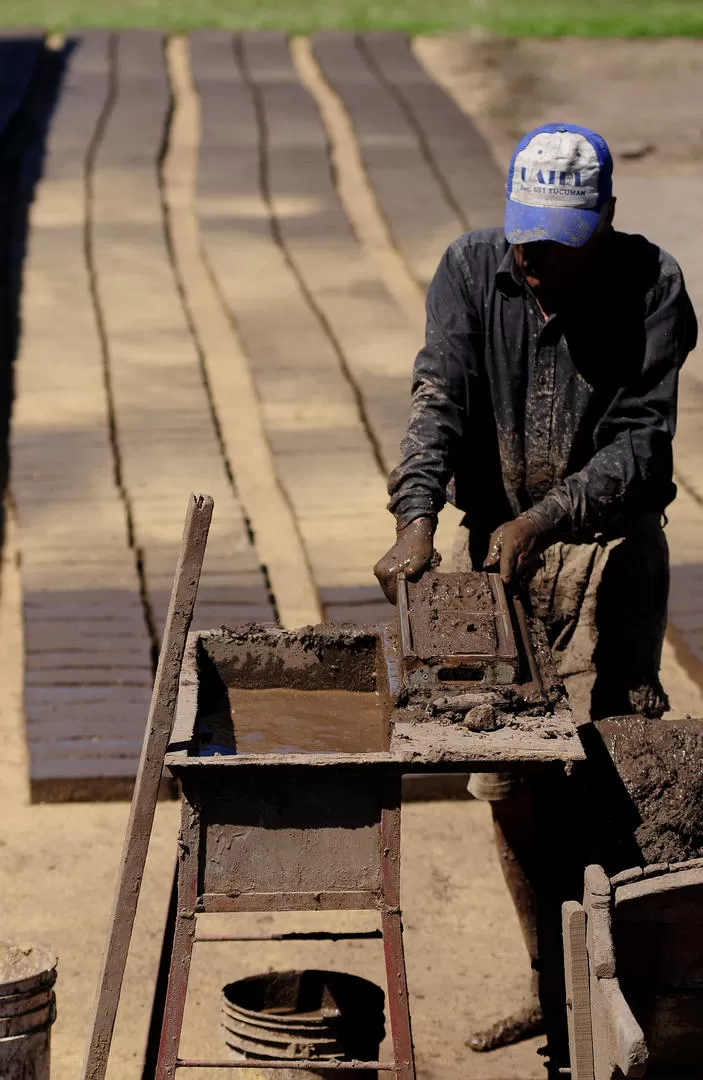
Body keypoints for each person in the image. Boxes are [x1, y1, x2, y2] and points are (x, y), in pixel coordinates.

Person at [374, 123, 697, 1053]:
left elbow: (640, 444)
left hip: (608, 555)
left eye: (560, 247)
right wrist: (416, 518)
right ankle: (548, 981)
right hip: (498, 564)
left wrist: (542, 520)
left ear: (601, 226)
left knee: (613, 768)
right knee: (507, 777)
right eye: (527, 244)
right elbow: (438, 394)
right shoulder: (472, 271)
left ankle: (626, 990)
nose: (539, 265)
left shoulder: (654, 285)